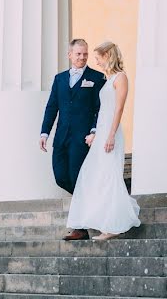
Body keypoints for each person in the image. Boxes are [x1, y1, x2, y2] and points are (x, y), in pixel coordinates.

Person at [66, 41, 140, 241]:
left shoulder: (121, 78)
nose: (96, 62)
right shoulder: (108, 79)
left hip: (111, 135)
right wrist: (96, 134)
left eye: (98, 57)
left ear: (108, 55)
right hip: (102, 135)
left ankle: (112, 226)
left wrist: (110, 134)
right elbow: (103, 111)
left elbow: (118, 109)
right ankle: (104, 222)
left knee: (109, 176)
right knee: (93, 175)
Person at [40, 39, 106, 240]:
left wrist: (94, 130)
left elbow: (99, 108)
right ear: (70, 55)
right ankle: (95, 204)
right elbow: (52, 107)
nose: (82, 57)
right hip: (61, 137)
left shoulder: (96, 77)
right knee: (61, 177)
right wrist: (44, 133)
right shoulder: (59, 79)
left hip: (82, 138)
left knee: (78, 178)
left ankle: (81, 227)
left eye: (85, 54)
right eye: (78, 54)